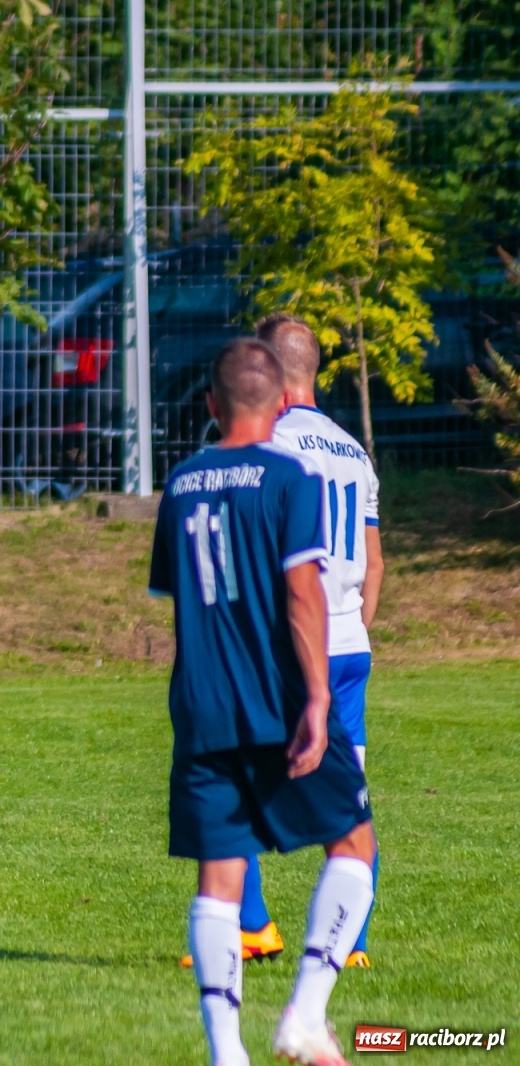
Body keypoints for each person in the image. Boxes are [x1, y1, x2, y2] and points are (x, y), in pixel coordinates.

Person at [149, 338, 376, 1066]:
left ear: (210, 405)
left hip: (202, 704)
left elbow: (181, 596)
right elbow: (302, 593)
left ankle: (227, 1054)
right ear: (282, 402)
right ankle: (304, 1016)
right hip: (276, 700)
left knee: (219, 877)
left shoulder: (181, 482)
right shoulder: (289, 476)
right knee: (354, 841)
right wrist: (316, 696)